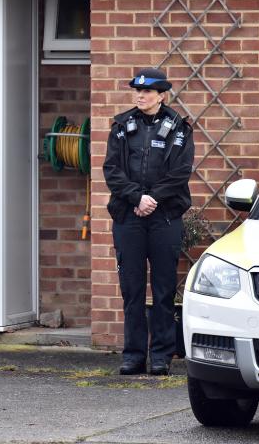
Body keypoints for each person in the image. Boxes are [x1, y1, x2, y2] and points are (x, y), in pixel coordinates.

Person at [103, 67, 195, 376]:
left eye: (147, 92)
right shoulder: (121, 125)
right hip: (129, 215)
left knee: (164, 287)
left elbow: (181, 171)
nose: (140, 95)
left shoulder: (179, 127)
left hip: (165, 216)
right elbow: (112, 170)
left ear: (162, 96)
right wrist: (136, 198)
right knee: (131, 288)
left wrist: (153, 197)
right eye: (137, 91)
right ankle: (133, 354)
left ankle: (161, 355)